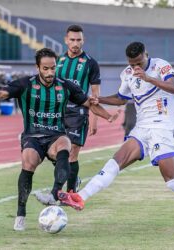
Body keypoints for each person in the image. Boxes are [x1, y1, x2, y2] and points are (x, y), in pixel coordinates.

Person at [58, 42, 174, 229]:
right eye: (132, 64)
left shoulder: (161, 66)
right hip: (142, 127)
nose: (135, 67)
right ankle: (80, 197)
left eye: (139, 63)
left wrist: (149, 78)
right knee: (115, 162)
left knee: (173, 181)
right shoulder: (127, 74)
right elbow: (121, 98)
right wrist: (98, 99)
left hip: (161, 127)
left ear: (146, 55)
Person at [0, 48, 120, 231]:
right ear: (38, 67)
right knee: (29, 161)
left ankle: (55, 194)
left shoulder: (65, 86)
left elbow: (89, 103)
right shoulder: (26, 84)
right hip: (33, 135)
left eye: (53, 68)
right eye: (46, 68)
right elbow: (1, 94)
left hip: (56, 135)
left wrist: (107, 116)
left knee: (66, 145)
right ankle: (20, 214)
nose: (50, 73)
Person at [54, 24, 101, 193]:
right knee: (56, 153)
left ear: (83, 40)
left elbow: (95, 95)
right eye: (72, 40)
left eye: (78, 40)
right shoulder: (58, 61)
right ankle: (73, 179)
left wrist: (95, 120)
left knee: (73, 152)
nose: (75, 43)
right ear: (66, 40)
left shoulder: (90, 63)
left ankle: (69, 192)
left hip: (78, 113)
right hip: (58, 113)